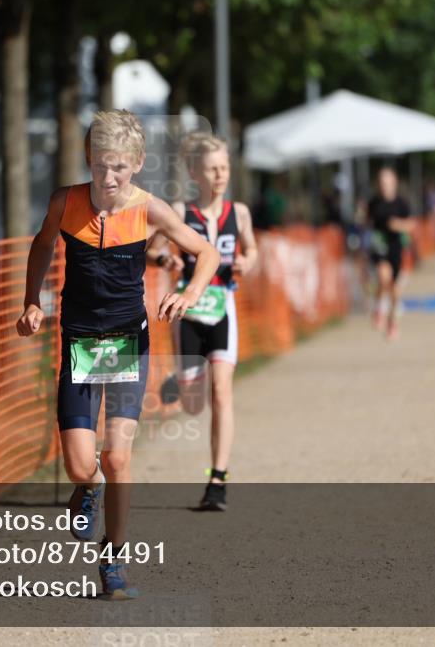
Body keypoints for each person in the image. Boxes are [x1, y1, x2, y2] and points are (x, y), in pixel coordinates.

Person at [16, 110, 219, 599]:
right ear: (89, 158)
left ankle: (114, 558)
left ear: (139, 164)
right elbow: (42, 246)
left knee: (118, 455)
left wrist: (189, 294)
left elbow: (205, 252)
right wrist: (30, 302)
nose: (109, 178)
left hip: (128, 339)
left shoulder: (150, 210)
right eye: (102, 166)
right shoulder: (66, 202)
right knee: (81, 465)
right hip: (80, 340)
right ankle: (88, 488)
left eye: (121, 169)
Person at [146, 132, 258, 511]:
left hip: (222, 307)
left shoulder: (238, 213)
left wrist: (247, 261)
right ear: (195, 172)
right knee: (194, 404)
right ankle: (181, 383)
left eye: (225, 167)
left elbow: (252, 247)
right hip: (190, 312)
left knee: (223, 392)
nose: (221, 174)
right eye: (213, 168)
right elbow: (152, 251)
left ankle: (218, 479)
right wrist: (166, 261)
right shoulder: (180, 212)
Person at [367, 167, 414, 340]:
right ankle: (379, 308)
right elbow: (366, 223)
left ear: (394, 183)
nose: (384, 186)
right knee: (383, 276)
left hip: (396, 247)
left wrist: (399, 225)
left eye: (387, 182)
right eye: (381, 182)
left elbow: (411, 224)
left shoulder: (401, 203)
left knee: (394, 292)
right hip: (380, 245)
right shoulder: (374, 203)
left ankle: (392, 323)